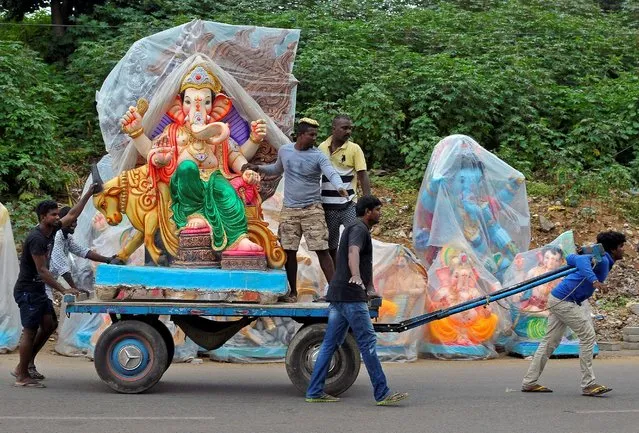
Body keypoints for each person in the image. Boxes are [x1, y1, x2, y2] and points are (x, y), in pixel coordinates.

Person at [305, 195, 408, 405]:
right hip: (351, 297)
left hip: (338, 295)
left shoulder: (354, 227)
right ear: (368, 212)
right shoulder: (359, 229)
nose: (380, 213)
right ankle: (382, 393)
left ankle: (314, 391)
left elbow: (359, 257)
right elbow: (354, 253)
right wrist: (356, 275)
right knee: (367, 342)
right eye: (378, 210)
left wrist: (368, 286)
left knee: (330, 343)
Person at [249, 118, 347, 302]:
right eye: (311, 135)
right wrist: (258, 168)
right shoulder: (285, 151)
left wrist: (339, 186)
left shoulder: (318, 155)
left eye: (316, 135)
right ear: (300, 135)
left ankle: (336, 292)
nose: (314, 138)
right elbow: (277, 169)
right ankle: (292, 293)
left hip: (312, 209)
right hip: (290, 210)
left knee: (321, 249)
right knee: (289, 250)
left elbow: (330, 172)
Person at [521, 231, 626, 396]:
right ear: (613, 249)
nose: (623, 250)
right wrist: (594, 280)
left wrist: (581, 257)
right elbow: (579, 260)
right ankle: (588, 383)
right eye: (621, 246)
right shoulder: (603, 260)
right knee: (588, 336)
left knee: (550, 342)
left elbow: (571, 258)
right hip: (565, 301)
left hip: (559, 298)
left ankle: (529, 382)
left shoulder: (601, 259)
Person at [12, 188, 95, 388]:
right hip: (28, 290)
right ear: (43, 217)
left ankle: (22, 367)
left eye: (58, 214)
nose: (58, 217)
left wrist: (89, 194)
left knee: (49, 325)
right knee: (30, 331)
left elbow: (73, 214)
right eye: (53, 214)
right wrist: (63, 289)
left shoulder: (53, 229)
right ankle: (22, 375)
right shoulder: (37, 239)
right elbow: (42, 271)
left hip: (39, 289)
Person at [318, 115, 371, 264]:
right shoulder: (322, 148)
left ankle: (356, 276)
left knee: (354, 241)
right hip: (327, 206)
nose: (348, 131)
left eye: (350, 128)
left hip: (349, 205)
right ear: (333, 129)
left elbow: (362, 174)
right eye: (344, 128)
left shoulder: (354, 149)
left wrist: (368, 203)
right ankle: (336, 279)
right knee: (331, 245)